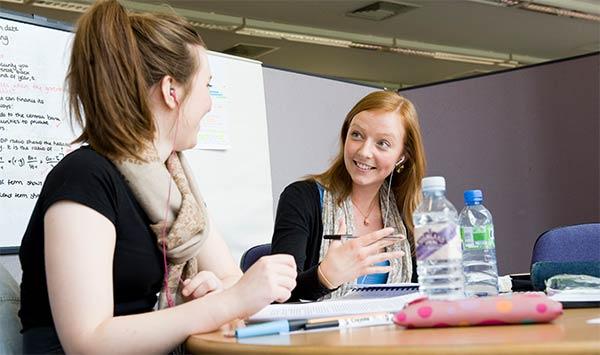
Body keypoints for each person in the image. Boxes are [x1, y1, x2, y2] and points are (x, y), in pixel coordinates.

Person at [18, 1, 296, 353]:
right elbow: (88, 342)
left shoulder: (173, 185)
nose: (210, 103)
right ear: (172, 91)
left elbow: (231, 278)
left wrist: (216, 289)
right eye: (207, 86)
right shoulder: (84, 178)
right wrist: (221, 304)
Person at [271, 91, 426, 301]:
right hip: (319, 333)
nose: (364, 151)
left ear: (402, 156)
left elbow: (428, 289)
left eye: (382, 143)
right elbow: (278, 293)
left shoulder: (407, 211)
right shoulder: (301, 197)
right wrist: (324, 277)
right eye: (357, 135)